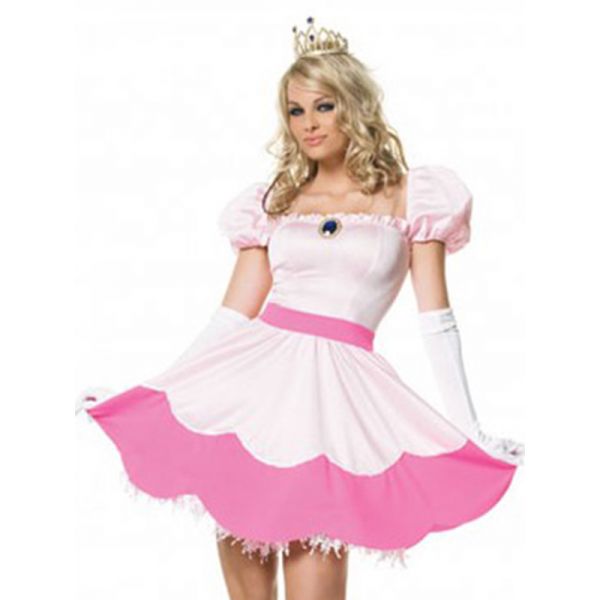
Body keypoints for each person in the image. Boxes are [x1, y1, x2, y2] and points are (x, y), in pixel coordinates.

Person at [76, 16, 524, 600]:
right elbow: (231, 318)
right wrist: (153, 390)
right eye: (295, 111)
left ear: (354, 107)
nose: (308, 124)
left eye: (323, 106)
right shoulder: (274, 202)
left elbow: (435, 320)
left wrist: (469, 429)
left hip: (335, 401)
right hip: (254, 394)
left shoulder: (413, 197)